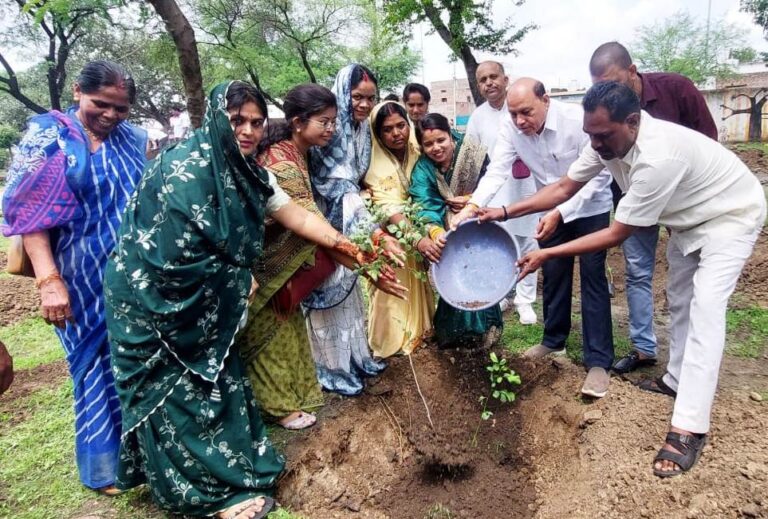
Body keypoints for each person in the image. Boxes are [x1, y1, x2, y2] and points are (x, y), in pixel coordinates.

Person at [104, 81, 395, 518]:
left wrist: (352, 250)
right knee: (178, 395)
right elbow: (171, 251)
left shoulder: (250, 172)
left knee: (219, 382)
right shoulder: (183, 169)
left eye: (257, 122)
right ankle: (204, 496)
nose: (249, 130)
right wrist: (236, 276)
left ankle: (230, 471)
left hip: (208, 305)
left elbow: (294, 213)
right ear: (217, 118)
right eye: (238, 120)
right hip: (155, 304)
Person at [480, 80, 765, 478]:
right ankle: (675, 379)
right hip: (688, 219)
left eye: (602, 136)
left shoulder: (657, 157)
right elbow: (564, 186)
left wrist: (546, 253)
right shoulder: (606, 139)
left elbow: (617, 233)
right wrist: (505, 212)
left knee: (705, 309)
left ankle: (688, 427)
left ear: (632, 122)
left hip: (730, 216)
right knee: (680, 300)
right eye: (590, 135)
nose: (594, 144)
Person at [1, 60, 146, 495]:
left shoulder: (131, 139)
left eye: (121, 108)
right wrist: (49, 281)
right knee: (94, 366)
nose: (111, 115)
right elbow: (30, 217)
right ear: (78, 90)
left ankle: (142, 454)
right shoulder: (52, 140)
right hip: (77, 278)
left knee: (133, 360)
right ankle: (103, 469)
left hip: (133, 275)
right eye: (102, 104)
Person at [236, 84, 402, 428]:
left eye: (333, 122)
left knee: (288, 329)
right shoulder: (283, 164)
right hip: (269, 265)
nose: (331, 129)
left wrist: (365, 261)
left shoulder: (304, 153)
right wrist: (368, 264)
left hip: (292, 261)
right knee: (270, 338)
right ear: (298, 122)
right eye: (324, 122)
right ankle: (277, 407)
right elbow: (314, 227)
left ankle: (289, 397)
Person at [453, 78, 615, 398]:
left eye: (526, 112)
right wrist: (472, 206)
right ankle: (553, 341)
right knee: (553, 273)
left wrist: (561, 211)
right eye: (513, 114)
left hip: (590, 206)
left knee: (593, 278)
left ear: (546, 100)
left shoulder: (575, 121)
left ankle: (598, 361)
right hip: (548, 207)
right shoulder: (511, 128)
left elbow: (600, 177)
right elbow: (497, 170)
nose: (519, 121)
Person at [589, 41, 719, 374]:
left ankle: (689, 363)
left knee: (689, 282)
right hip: (635, 200)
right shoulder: (605, 127)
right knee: (637, 271)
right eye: (600, 88)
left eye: (614, 84)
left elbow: (708, 141)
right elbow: (574, 179)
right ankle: (644, 348)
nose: (608, 95)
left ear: (633, 72)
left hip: (686, 203)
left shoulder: (677, 89)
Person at [307, 64, 403, 389]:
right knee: (330, 291)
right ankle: (332, 371)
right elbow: (334, 185)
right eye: (357, 96)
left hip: (353, 214)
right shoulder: (330, 131)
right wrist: (375, 234)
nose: (363, 104)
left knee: (350, 295)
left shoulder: (361, 130)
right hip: (324, 222)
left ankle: (357, 359)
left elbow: (355, 180)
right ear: (342, 93)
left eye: (369, 98)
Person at [410, 113, 502, 347]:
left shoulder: (473, 154)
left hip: (479, 224)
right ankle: (454, 335)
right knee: (454, 275)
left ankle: (486, 329)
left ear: (451, 136)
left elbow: (492, 182)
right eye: (428, 144)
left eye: (441, 140)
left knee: (481, 271)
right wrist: (435, 232)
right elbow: (424, 203)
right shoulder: (423, 169)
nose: (436, 148)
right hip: (446, 229)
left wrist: (472, 200)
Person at [465, 61, 538, 325]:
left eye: (493, 77)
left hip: (528, 189)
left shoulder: (521, 108)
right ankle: (503, 293)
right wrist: (467, 198)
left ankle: (525, 300)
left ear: (506, 79)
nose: (489, 83)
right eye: (482, 80)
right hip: (496, 192)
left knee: (528, 242)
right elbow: (471, 161)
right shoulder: (478, 117)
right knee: (501, 245)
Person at [364, 101, 434, 357]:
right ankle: (390, 342)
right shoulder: (371, 164)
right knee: (391, 286)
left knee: (418, 281)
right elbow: (386, 208)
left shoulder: (418, 150)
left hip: (419, 231)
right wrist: (417, 239)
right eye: (387, 129)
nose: (397, 133)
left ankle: (420, 332)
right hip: (389, 238)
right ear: (377, 133)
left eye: (401, 125)